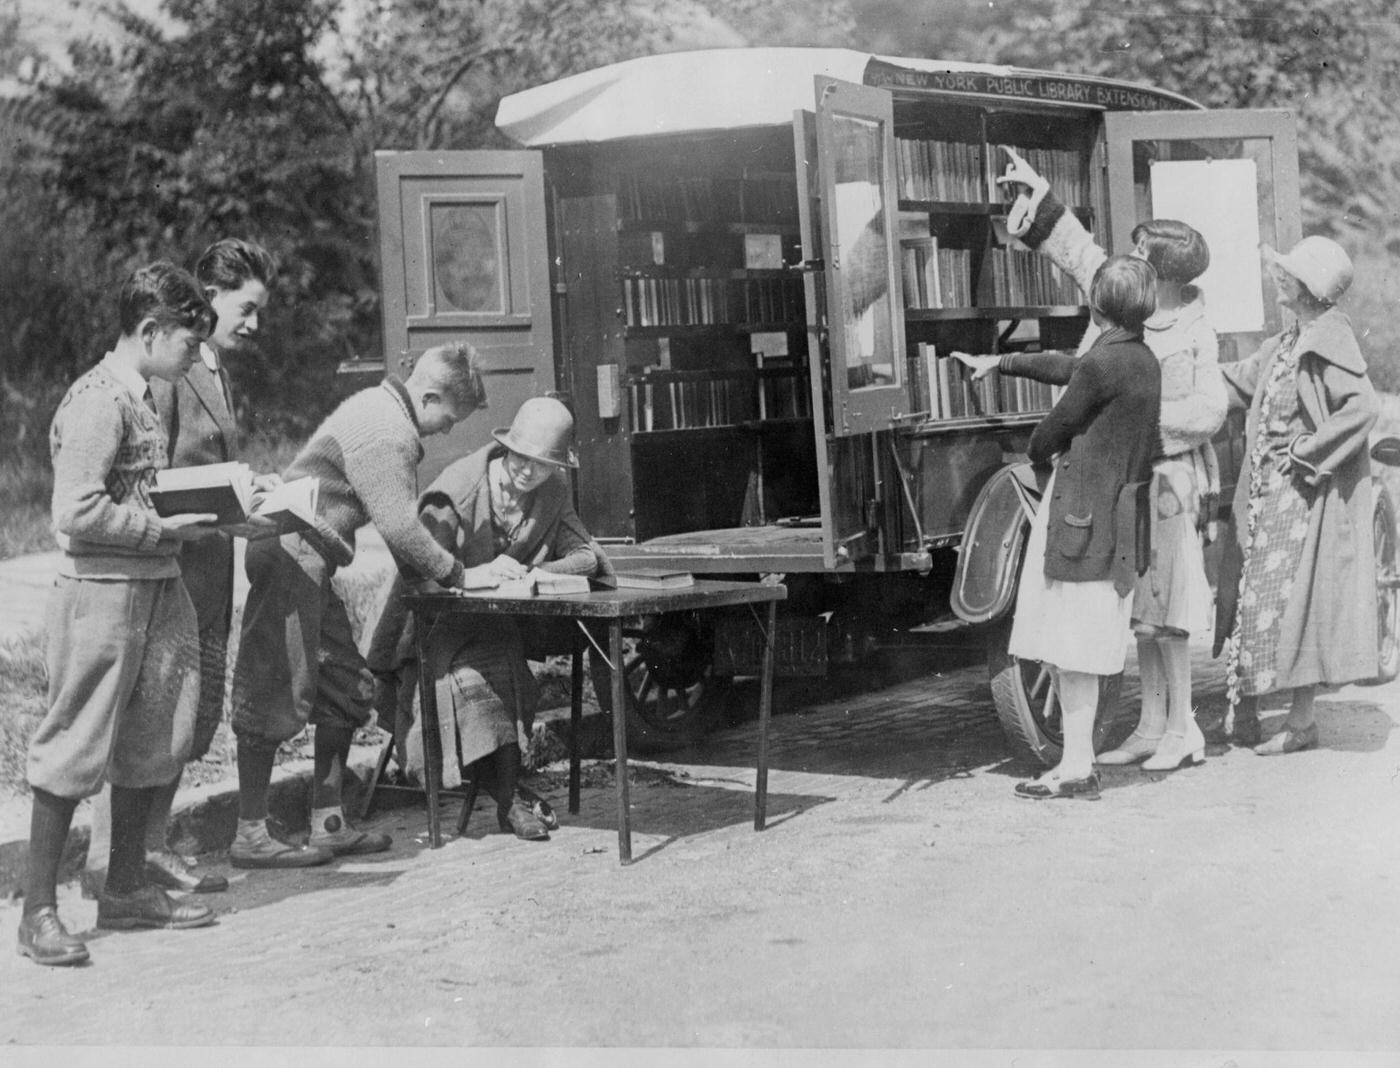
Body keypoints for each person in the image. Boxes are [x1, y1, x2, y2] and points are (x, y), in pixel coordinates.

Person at [969, 148, 1227, 773]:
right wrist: (1041, 191)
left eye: (1140, 252)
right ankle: (1150, 722)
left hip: (1163, 479)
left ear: (1161, 274)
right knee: (1138, 608)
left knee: (1168, 605)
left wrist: (1137, 431)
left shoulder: (1192, 328)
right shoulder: (1127, 300)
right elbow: (1080, 250)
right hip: (1120, 477)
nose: (1127, 257)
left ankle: (1182, 729)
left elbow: (1210, 408)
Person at [20, 262, 219, 966]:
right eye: (187, 343)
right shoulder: (98, 400)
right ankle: (38, 910)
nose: (195, 356)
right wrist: (167, 530)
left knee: (150, 735)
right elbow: (74, 510)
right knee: (75, 741)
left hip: (155, 589)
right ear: (148, 331)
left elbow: (133, 490)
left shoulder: (142, 397)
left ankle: (127, 886)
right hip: (101, 593)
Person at [227, 342, 487, 868]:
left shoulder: (379, 406)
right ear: (430, 395)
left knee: (346, 685)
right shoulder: (389, 431)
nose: (447, 431)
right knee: (274, 688)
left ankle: (328, 825)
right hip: (292, 553)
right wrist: (458, 575)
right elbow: (398, 525)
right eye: (449, 418)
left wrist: (427, 573)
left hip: (308, 556)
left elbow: (394, 526)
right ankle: (250, 834)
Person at [84, 238, 278, 898]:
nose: (255, 323)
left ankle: (151, 846)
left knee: (187, 717)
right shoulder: (172, 371)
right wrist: (221, 504)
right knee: (155, 713)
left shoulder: (213, 367)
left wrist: (246, 490)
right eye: (246, 308)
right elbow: (152, 472)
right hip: (173, 566)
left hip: (207, 567)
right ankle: (121, 857)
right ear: (211, 297)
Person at [367, 397, 607, 840]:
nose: (527, 472)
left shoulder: (552, 494)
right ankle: (509, 798)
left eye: (541, 464)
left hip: (492, 625)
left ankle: (508, 795)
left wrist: (535, 572)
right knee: (470, 683)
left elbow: (587, 557)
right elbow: (420, 575)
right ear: (507, 446)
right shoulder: (456, 491)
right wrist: (477, 576)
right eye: (521, 457)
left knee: (508, 667)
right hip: (428, 629)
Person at [1000, 256, 1162, 799]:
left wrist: (1034, 450)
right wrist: (999, 362)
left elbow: (1053, 429)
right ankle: (1077, 761)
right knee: (1086, 643)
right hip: (1117, 514)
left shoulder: (1101, 364)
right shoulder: (1141, 359)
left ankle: (1074, 767)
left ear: (1097, 303)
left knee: (1068, 643)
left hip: (1079, 514)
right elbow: (1071, 368)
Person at [1214, 236, 1379, 754]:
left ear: (1307, 288)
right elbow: (1240, 383)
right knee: (1255, 599)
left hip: (1303, 496)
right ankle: (1248, 713)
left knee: (1292, 604)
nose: (1278, 278)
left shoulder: (1329, 340)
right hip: (1267, 495)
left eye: (1287, 273)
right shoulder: (1286, 341)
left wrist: (1309, 450)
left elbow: (1362, 407)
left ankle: (1302, 721)